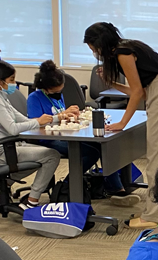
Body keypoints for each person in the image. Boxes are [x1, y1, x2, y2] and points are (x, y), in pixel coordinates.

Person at [83, 22, 158, 228]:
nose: (94, 53)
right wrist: (113, 84)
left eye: (93, 48)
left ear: (100, 43)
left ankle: (155, 216)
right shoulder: (127, 47)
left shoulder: (122, 52)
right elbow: (141, 91)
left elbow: (137, 93)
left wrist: (122, 122)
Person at [27, 60, 139, 207]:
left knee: (102, 147)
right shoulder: (34, 98)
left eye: (60, 90)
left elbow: (61, 114)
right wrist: (61, 116)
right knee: (91, 153)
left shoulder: (57, 95)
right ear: (46, 88)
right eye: (55, 91)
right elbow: (36, 123)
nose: (58, 94)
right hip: (48, 138)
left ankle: (116, 189)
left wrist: (73, 115)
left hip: (65, 134)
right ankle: (68, 184)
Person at [0, 59, 60, 211]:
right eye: (11, 80)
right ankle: (31, 201)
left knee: (42, 155)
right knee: (51, 156)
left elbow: (25, 120)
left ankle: (5, 184)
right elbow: (13, 129)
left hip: (1, 148)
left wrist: (58, 118)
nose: (14, 83)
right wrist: (39, 122)